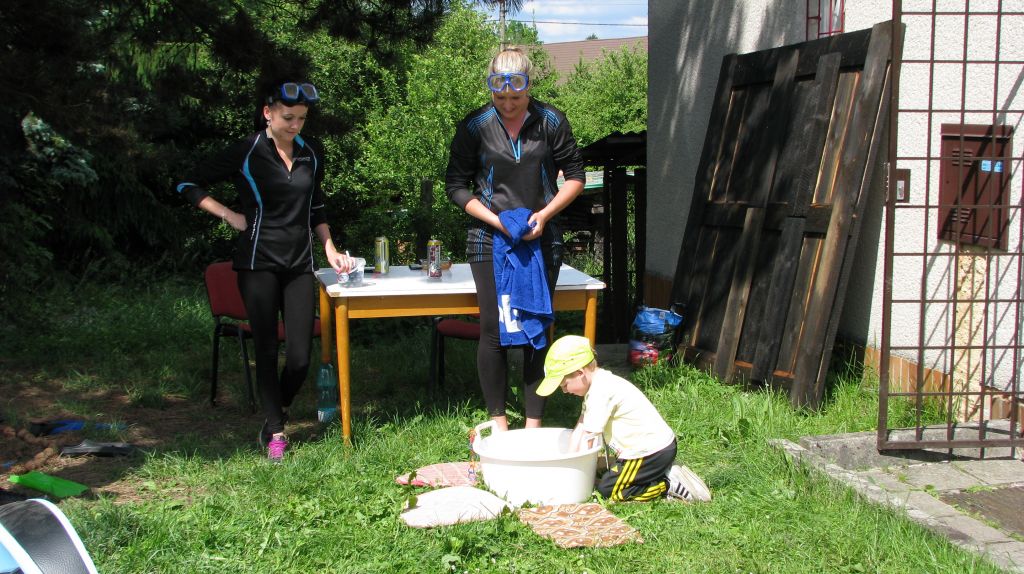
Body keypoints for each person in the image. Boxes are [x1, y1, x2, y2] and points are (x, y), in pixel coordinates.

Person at [176, 79, 352, 462]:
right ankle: (275, 432)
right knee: (268, 349)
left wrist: (329, 247)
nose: (295, 125)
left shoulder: (311, 152)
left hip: (299, 264)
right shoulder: (247, 150)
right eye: (288, 117)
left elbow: (316, 206)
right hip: (257, 264)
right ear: (268, 113)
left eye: (301, 118)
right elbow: (188, 183)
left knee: (301, 356)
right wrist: (229, 215)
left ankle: (280, 409)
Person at [445, 46, 585, 432]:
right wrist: (498, 222)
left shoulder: (551, 120)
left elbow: (575, 177)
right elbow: (455, 186)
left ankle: (533, 428)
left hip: (542, 237)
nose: (507, 105)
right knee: (494, 329)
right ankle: (500, 427)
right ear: (491, 89)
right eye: (500, 97)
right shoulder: (475, 125)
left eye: (516, 98)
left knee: (535, 329)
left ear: (529, 87)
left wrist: (544, 215)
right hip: (488, 239)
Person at [536, 335, 713, 503]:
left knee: (608, 490)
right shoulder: (598, 385)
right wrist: (568, 463)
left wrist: (576, 475)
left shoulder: (600, 393)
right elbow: (580, 428)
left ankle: (667, 484)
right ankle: (657, 472)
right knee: (605, 476)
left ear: (580, 373)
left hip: (650, 453)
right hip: (651, 450)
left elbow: (588, 438)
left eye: (564, 385)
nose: (564, 391)